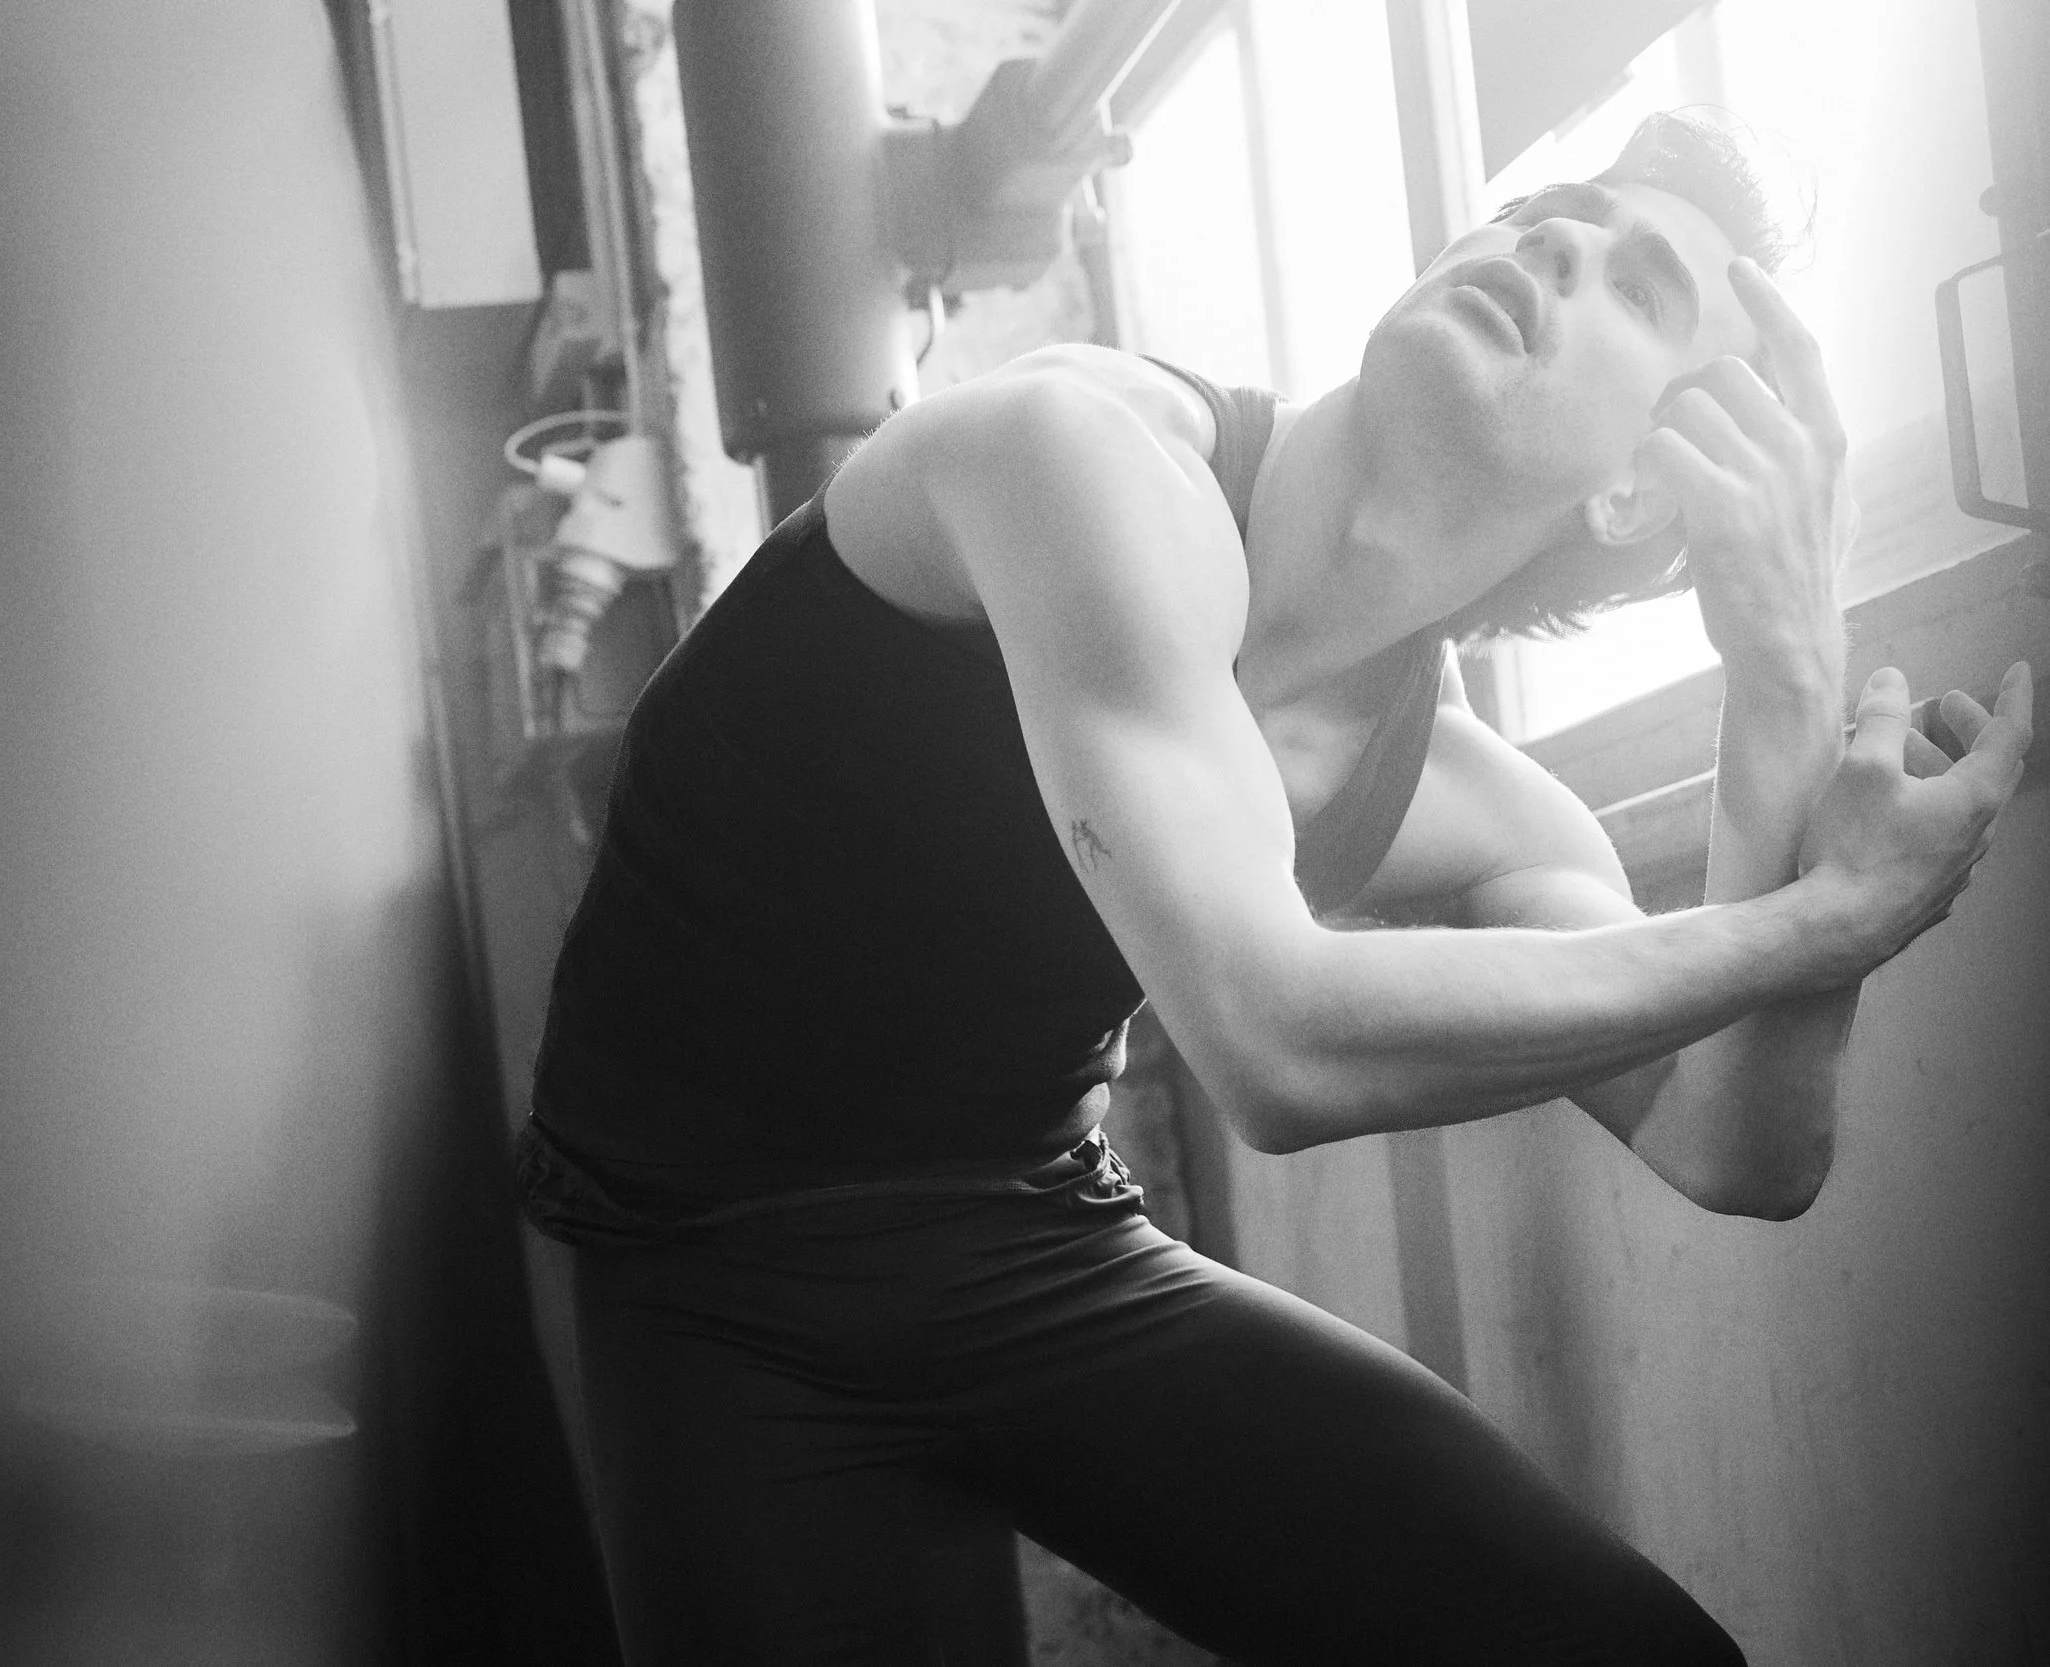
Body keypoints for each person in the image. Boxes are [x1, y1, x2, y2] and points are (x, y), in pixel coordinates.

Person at [517, 110, 2033, 1664]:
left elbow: (1737, 1142)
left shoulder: (1460, 799)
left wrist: (1785, 679)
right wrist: (1829, 919)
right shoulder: (1080, 454)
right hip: (708, 1265)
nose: (1559, 241)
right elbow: (1276, 1042)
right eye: (1554, 208)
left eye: (1639, 287)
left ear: (1642, 494)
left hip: (1025, 1236)